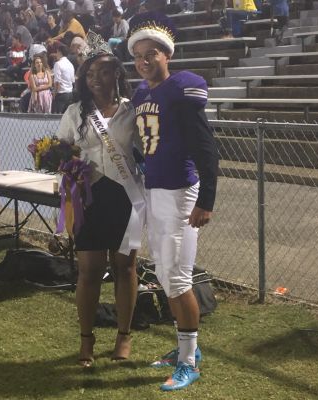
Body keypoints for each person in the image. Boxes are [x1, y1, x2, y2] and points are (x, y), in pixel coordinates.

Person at [127, 16, 219, 391]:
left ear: (167, 55)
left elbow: (206, 147)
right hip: (155, 190)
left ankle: (189, 361)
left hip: (181, 192)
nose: (144, 61)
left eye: (152, 54)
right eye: (138, 56)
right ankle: (186, 349)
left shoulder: (182, 88)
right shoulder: (140, 95)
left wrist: (207, 199)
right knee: (165, 275)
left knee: (177, 278)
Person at [56, 32, 144, 368]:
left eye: (103, 72)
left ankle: (124, 335)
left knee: (125, 267)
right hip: (89, 197)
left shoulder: (131, 110)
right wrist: (64, 166)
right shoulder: (75, 111)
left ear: (117, 74)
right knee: (89, 270)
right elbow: (60, 151)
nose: (96, 79)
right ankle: (86, 339)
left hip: (126, 196)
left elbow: (147, 148)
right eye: (90, 74)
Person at [50, 41, 73, 113]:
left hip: (61, 94)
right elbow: (72, 80)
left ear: (59, 52)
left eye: (57, 52)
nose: (56, 54)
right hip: (70, 93)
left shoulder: (58, 64)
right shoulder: (70, 64)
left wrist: (54, 94)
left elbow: (58, 81)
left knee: (55, 117)